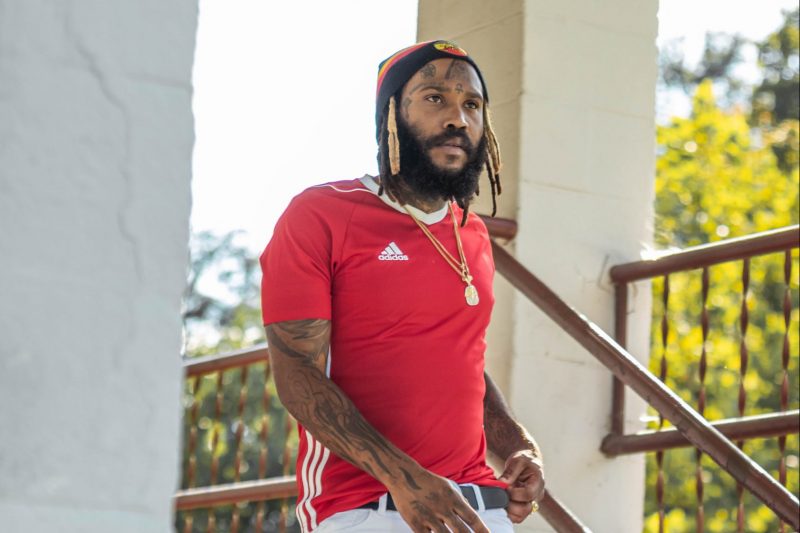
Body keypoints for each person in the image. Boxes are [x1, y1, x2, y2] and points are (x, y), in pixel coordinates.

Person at [260, 40, 545, 533]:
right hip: (365, 508)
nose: (458, 119)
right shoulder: (321, 214)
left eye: (472, 104)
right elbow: (297, 373)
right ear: (390, 114)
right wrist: (402, 476)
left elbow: (460, 360)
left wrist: (517, 444)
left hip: (480, 509)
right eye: (435, 98)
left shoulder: (472, 233)